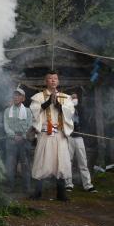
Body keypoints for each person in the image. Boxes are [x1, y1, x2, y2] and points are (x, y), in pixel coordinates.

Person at [29, 71, 75, 201]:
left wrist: (58, 105)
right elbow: (34, 111)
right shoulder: (38, 97)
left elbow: (70, 113)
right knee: (42, 161)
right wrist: (48, 102)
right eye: (50, 78)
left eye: (55, 78)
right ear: (46, 81)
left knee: (61, 162)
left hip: (59, 134)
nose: (53, 80)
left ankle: (61, 194)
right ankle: (37, 192)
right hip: (45, 133)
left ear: (58, 81)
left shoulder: (66, 98)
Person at [65, 93, 97, 193]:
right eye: (72, 97)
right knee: (68, 162)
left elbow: (85, 123)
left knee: (83, 162)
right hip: (69, 137)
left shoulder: (81, 109)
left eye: (76, 97)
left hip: (79, 138)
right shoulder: (66, 109)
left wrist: (82, 131)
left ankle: (88, 185)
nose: (74, 99)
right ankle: (68, 184)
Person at [3, 87, 33, 193]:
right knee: (10, 165)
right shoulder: (7, 111)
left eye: (19, 95)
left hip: (24, 141)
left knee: (25, 165)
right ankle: (10, 187)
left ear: (23, 98)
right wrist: (13, 136)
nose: (16, 97)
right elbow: (6, 126)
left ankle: (27, 188)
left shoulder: (28, 111)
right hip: (11, 141)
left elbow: (30, 125)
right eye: (15, 95)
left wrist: (23, 136)